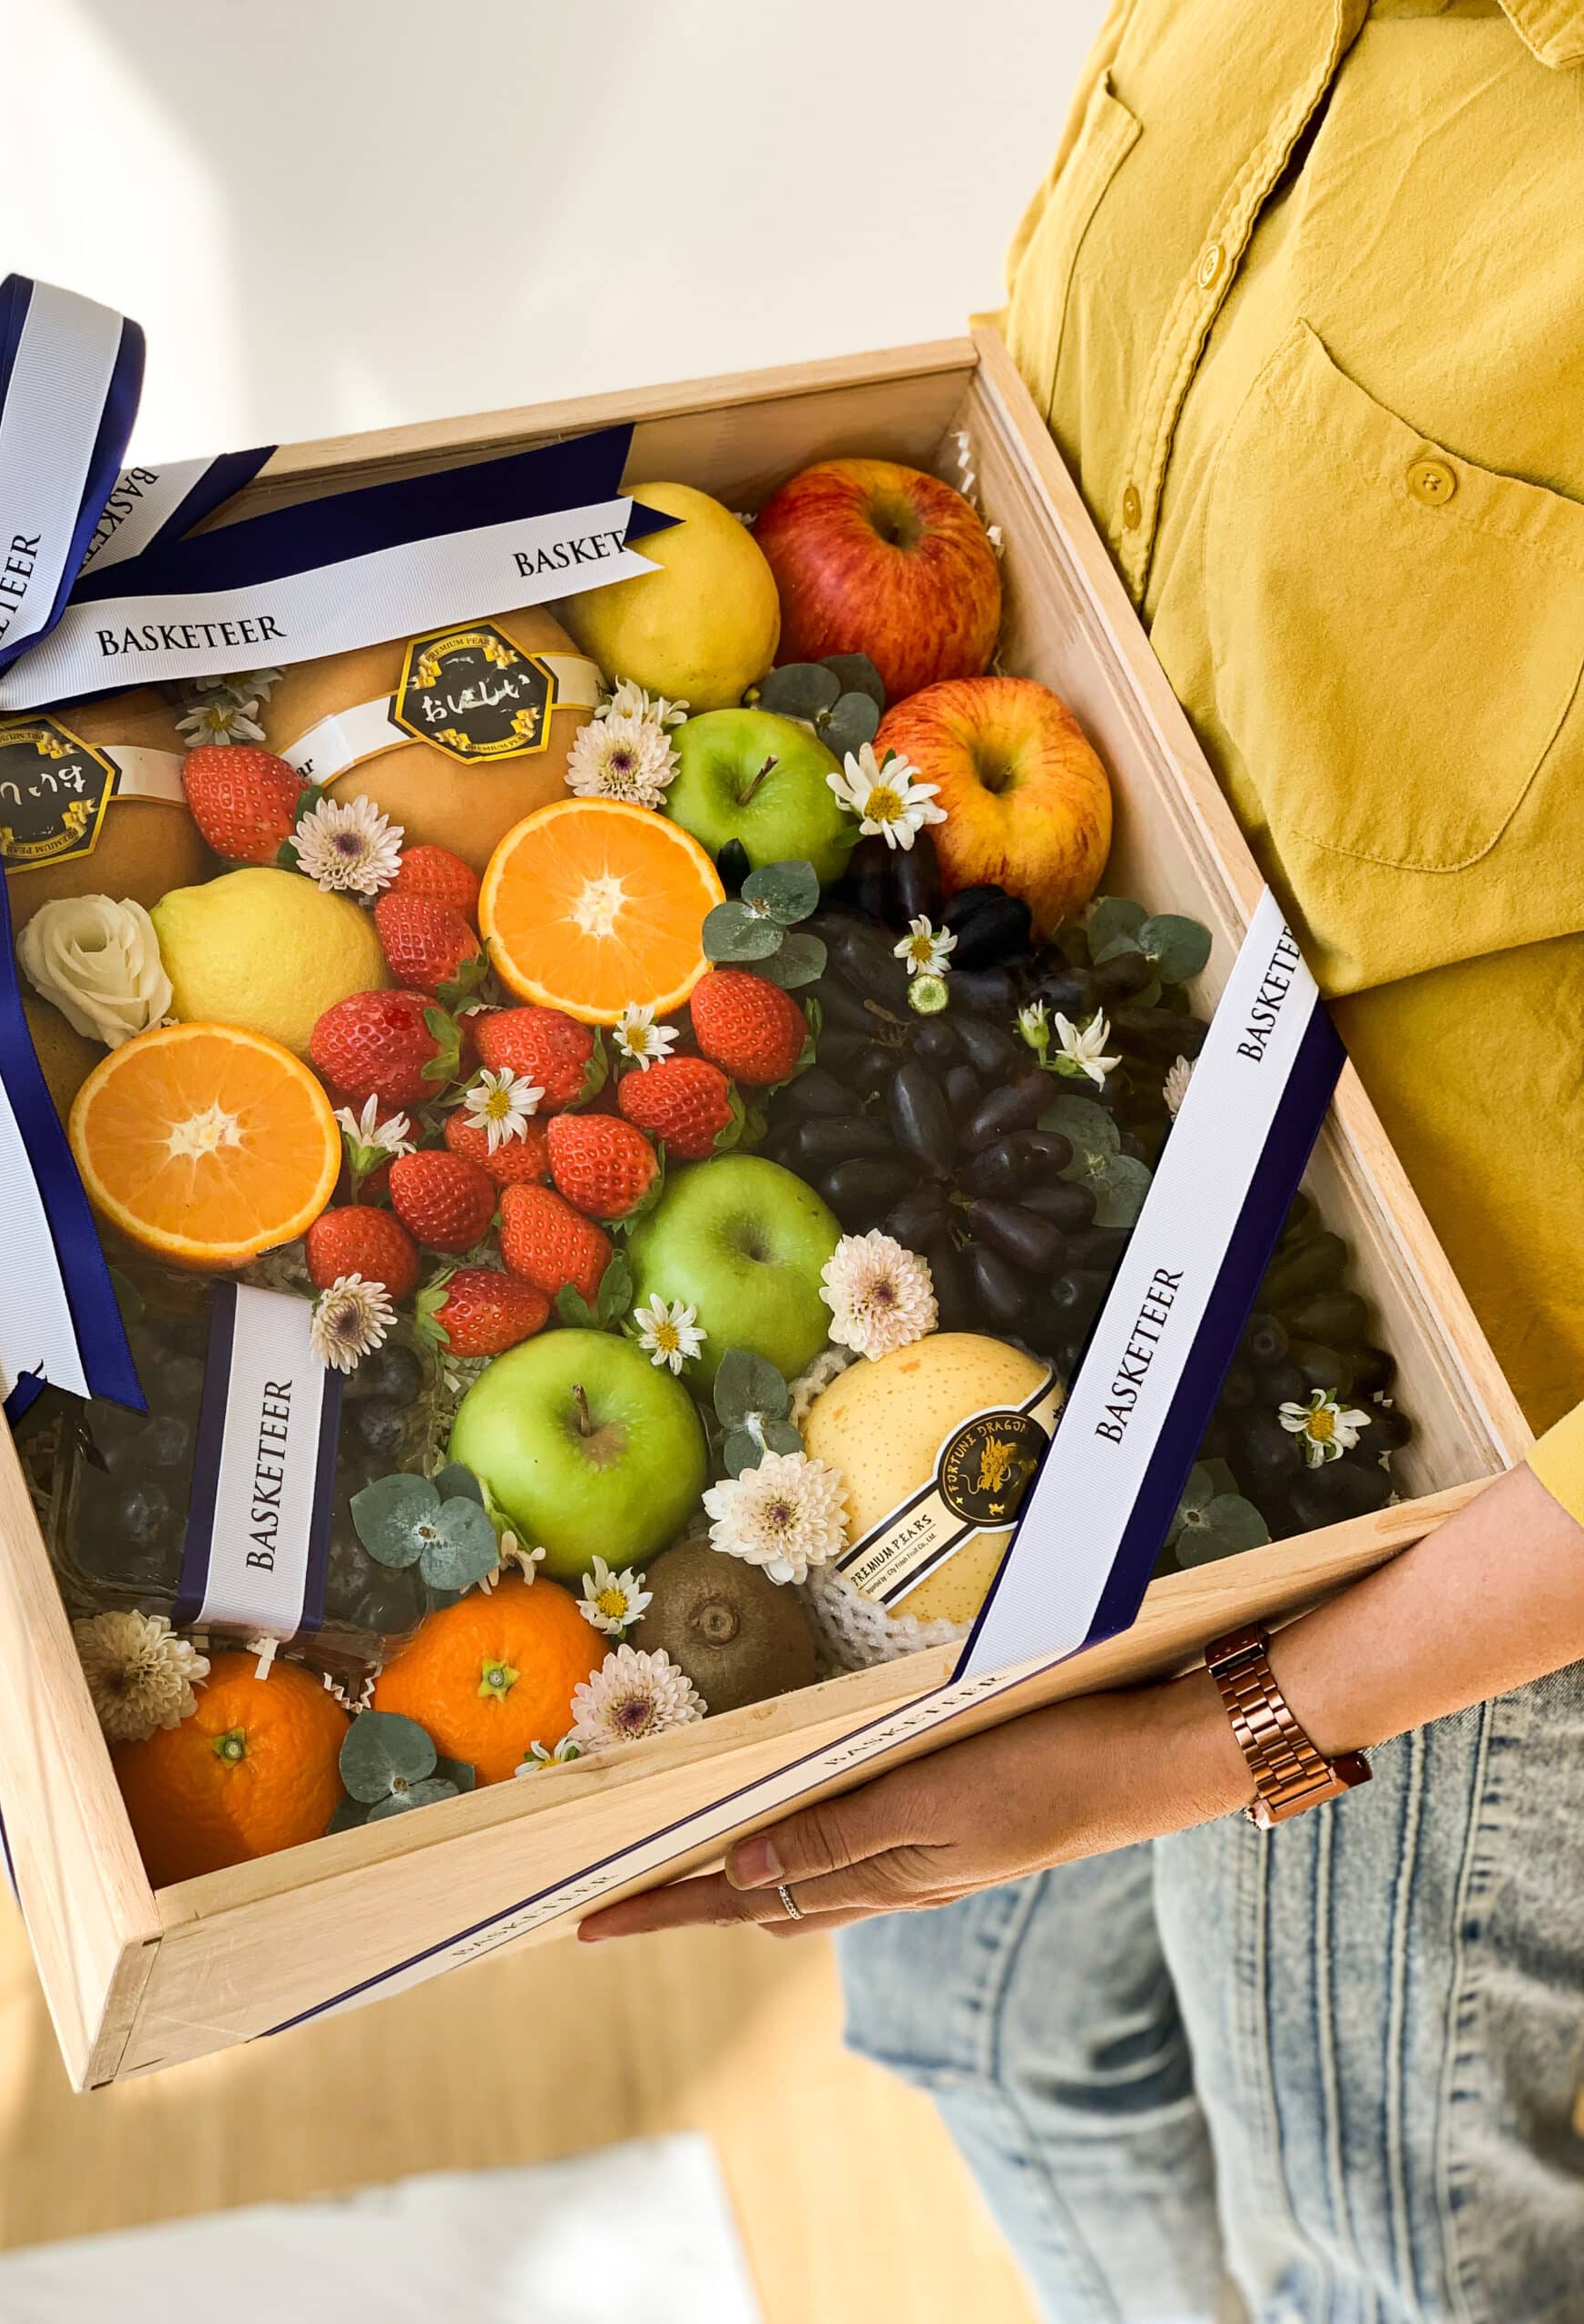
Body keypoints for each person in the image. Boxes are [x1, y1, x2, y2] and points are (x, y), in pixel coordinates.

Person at [581, 5, 1584, 2316]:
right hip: (1070, 1254)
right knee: (992, 2040)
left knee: (1385, 2250)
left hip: (1455, 1503)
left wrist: (1192, 1748)